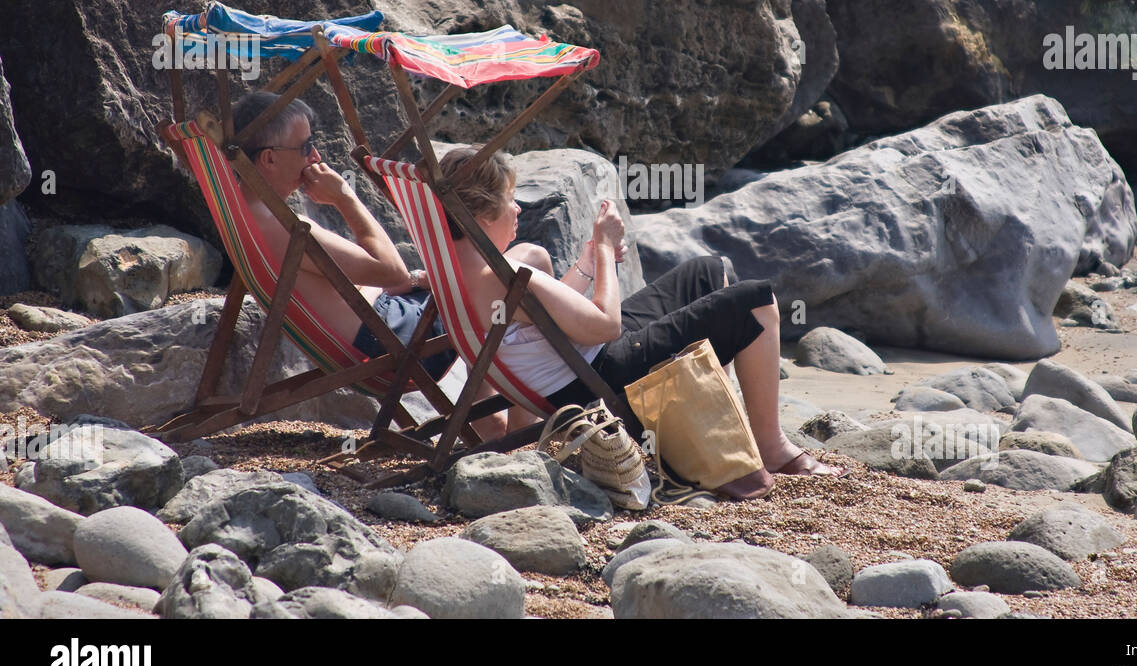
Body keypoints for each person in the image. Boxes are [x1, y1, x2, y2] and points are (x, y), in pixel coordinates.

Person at [439, 145, 844, 478]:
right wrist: (602, 251)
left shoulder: (452, 272)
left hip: (577, 361)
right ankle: (770, 447)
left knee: (708, 272)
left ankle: (718, 425)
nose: (518, 210)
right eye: (510, 200)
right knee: (756, 302)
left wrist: (582, 261)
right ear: (482, 216)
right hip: (599, 376)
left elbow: (533, 323)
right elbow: (606, 326)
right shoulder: (508, 276)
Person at [231, 91, 459, 391]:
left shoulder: (246, 213)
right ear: (269, 158)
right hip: (400, 345)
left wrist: (416, 280)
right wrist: (344, 197)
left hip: (389, 328)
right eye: (306, 147)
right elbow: (393, 271)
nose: (316, 157)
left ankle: (491, 421)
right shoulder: (284, 229)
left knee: (483, 283)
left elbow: (383, 279)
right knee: (518, 266)